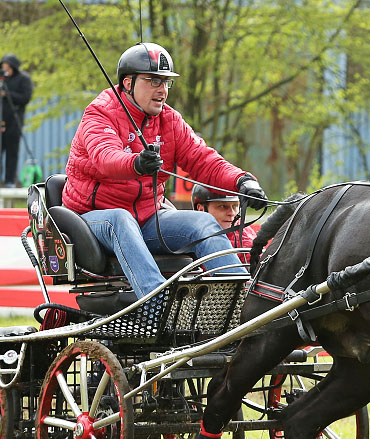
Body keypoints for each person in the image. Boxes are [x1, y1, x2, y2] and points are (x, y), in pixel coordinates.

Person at [61, 42, 267, 300]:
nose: (162, 90)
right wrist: (135, 163)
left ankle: (241, 304)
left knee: (203, 222)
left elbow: (202, 159)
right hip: (93, 218)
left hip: (147, 218)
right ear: (128, 83)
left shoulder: (169, 120)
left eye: (166, 83)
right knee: (121, 220)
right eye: (154, 81)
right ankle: (158, 304)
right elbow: (105, 157)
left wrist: (242, 181)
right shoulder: (100, 113)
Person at [0, 54, 32, 187]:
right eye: (4, 67)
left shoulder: (23, 79)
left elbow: (25, 98)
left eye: (8, 67)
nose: (6, 70)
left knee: (12, 151)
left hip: (13, 121)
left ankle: (10, 180)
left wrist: (5, 93)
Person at [191, 185, 257, 265]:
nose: (232, 213)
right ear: (201, 209)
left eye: (235, 206)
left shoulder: (247, 242)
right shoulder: (185, 235)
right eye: (223, 206)